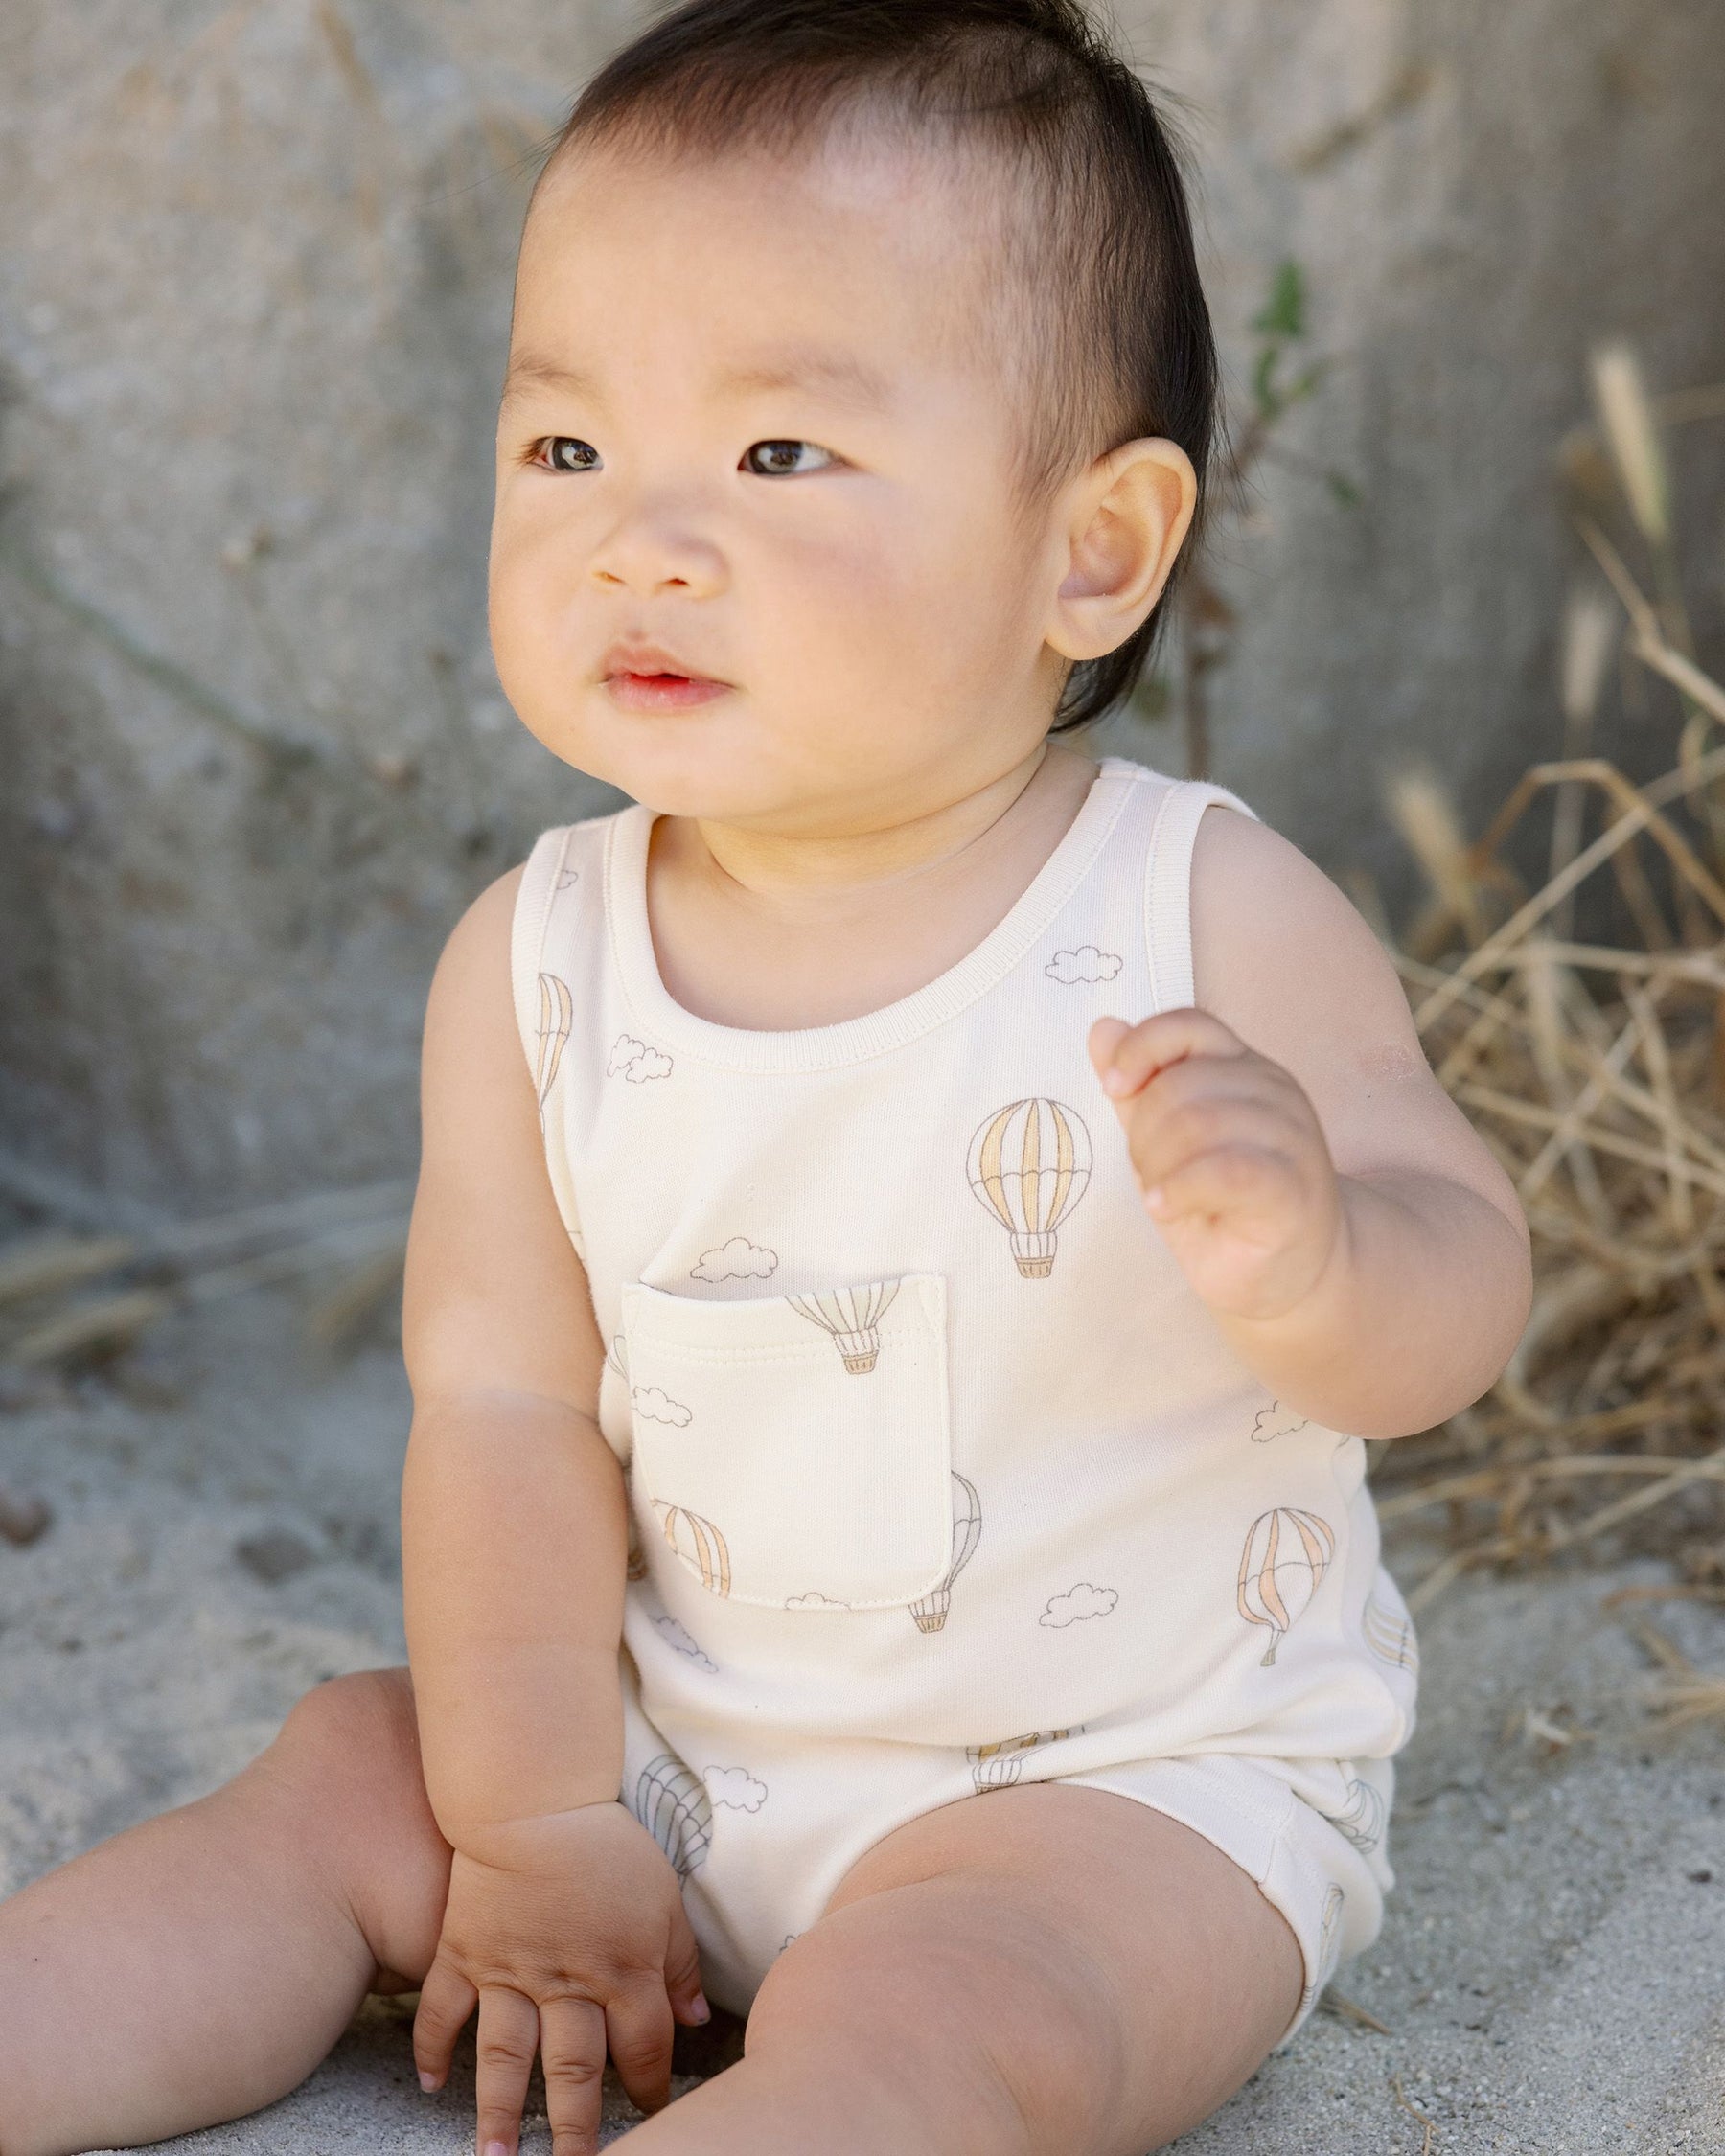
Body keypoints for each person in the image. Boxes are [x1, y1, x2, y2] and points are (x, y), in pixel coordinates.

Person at [0, 4, 1532, 2152]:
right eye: (566, 450)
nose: (640, 540)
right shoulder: (534, 961)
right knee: (343, 1772)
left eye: (778, 456)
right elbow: (506, 1413)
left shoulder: (1196, 910)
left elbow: (1459, 1294)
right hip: (645, 1761)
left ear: (1091, 549)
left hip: (1113, 1800)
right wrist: (535, 1822)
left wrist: (1321, 1256)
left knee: (937, 2018)